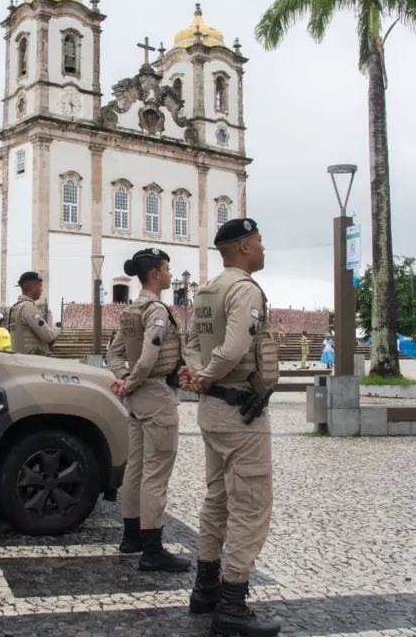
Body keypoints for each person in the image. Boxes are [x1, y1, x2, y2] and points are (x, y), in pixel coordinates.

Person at [179, 217, 281, 636]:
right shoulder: (245, 289)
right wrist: (209, 374)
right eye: (258, 241)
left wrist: (197, 371)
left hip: (213, 414)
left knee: (217, 499)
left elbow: (189, 341)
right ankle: (232, 606)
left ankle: (204, 590)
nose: (262, 247)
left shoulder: (205, 291)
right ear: (241, 247)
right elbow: (237, 344)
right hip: (240, 411)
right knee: (251, 507)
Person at [104, 248, 190, 573]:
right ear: (155, 273)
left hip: (136, 399)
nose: (170, 274)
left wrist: (125, 380)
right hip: (155, 394)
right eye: (167, 269)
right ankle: (153, 550)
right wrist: (132, 381)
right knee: (156, 473)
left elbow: (112, 354)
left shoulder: (129, 310)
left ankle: (131, 537)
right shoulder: (155, 310)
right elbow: (151, 354)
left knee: (135, 468)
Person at [8, 271, 60, 355]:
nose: (42, 289)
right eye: (40, 286)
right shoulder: (29, 307)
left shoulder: (16, 307)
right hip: (32, 360)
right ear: (33, 287)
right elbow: (48, 336)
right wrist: (58, 330)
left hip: (20, 358)